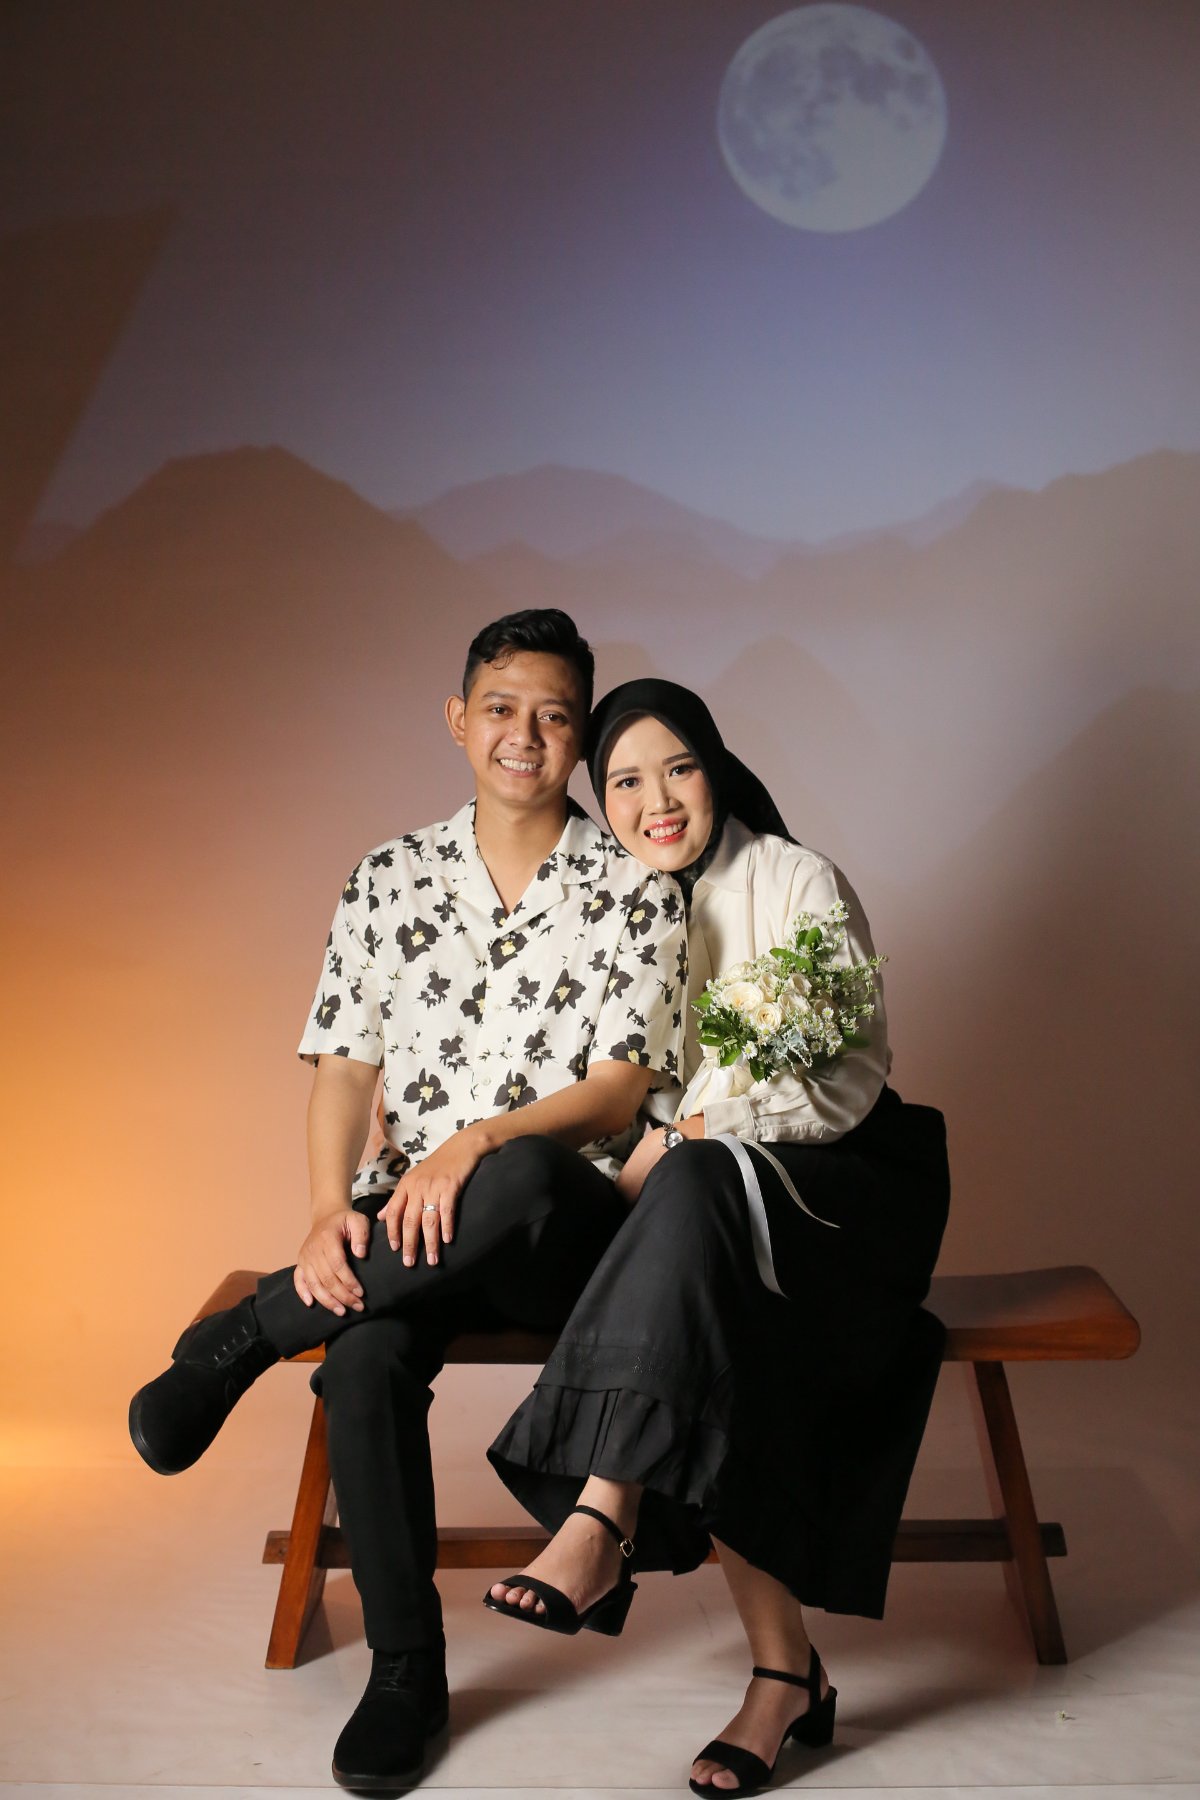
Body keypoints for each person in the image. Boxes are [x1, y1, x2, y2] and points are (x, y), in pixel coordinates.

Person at [128, 616, 687, 1792]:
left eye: (554, 715)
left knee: (519, 1174)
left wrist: (476, 1140)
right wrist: (327, 1211)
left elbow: (616, 1092)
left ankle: (251, 1332)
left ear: (581, 736)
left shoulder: (637, 884)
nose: (524, 734)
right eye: (501, 708)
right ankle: (404, 1673)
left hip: (572, 1242)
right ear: (458, 719)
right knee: (365, 1355)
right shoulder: (386, 878)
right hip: (412, 1238)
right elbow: (344, 1069)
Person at [484, 679, 950, 1798]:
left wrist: (687, 1134)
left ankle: (601, 1514)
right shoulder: (606, 910)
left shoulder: (795, 880)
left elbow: (843, 1081)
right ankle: (785, 1676)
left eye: (678, 769)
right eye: (624, 782)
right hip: (688, 1216)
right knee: (705, 1299)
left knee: (697, 1194)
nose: (655, 801)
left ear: (716, 770)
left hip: (839, 1200)